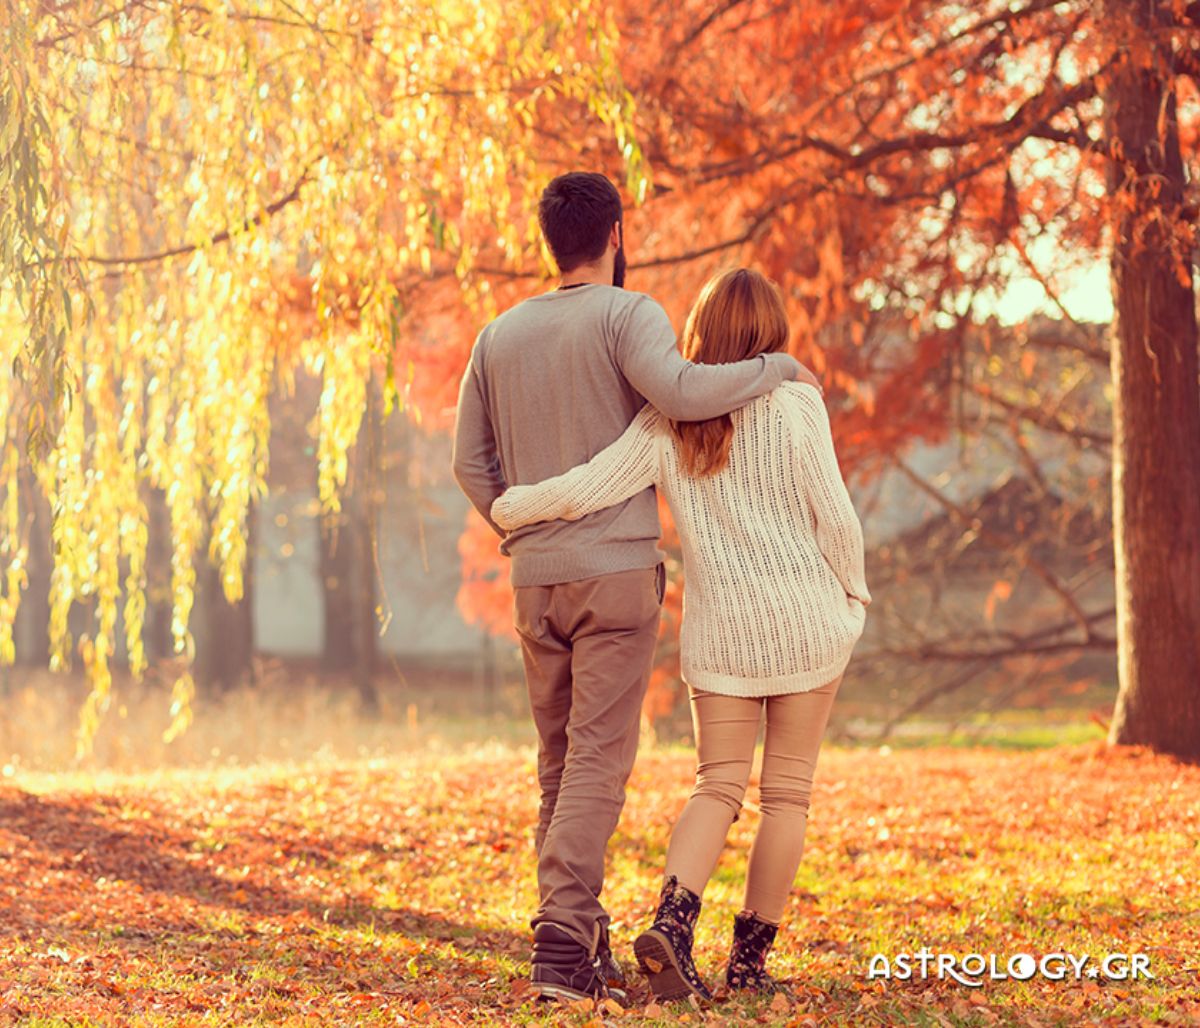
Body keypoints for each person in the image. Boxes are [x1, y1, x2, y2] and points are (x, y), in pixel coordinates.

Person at [451, 174, 819, 1004]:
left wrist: (519, 529)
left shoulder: (497, 337)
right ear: (615, 233)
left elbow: (469, 464)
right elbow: (686, 394)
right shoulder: (629, 315)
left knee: (557, 765)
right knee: (595, 766)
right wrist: (777, 367)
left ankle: (578, 941)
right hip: (613, 575)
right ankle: (559, 951)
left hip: (535, 578)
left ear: (552, 240)